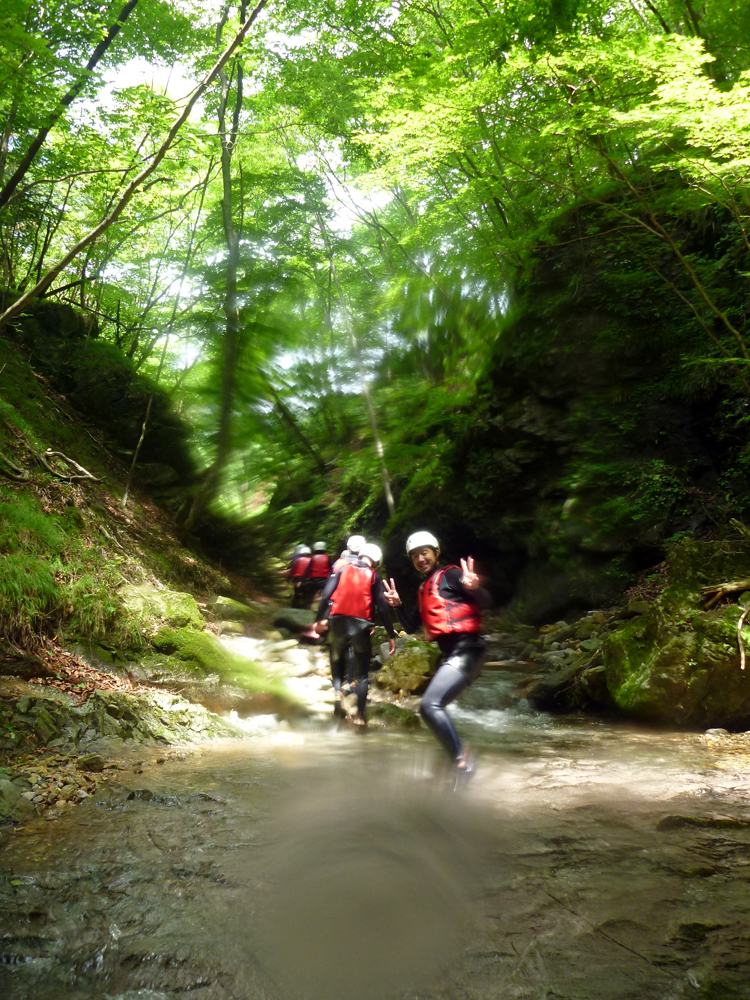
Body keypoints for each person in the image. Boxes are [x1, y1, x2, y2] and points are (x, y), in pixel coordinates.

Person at [383, 531, 489, 771]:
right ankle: (459, 759)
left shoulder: (451, 574)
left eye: (425, 553)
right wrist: (398, 606)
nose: (420, 559)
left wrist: (475, 587)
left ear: (436, 553)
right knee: (432, 707)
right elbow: (411, 627)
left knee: (429, 706)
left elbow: (485, 600)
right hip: (454, 654)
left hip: (468, 650)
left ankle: (463, 760)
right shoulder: (424, 588)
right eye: (415, 556)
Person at [314, 542, 396, 726]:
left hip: (338, 623)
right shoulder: (375, 576)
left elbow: (327, 595)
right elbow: (382, 609)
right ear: (376, 560)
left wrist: (319, 619)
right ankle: (359, 716)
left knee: (337, 666)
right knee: (363, 675)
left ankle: (338, 709)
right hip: (361, 626)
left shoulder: (342, 570)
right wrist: (391, 635)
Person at [302, 541, 332, 606]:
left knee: (309, 594)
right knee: (327, 595)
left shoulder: (313, 558)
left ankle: (308, 604)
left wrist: (303, 579)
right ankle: (325, 606)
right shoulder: (328, 557)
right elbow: (331, 569)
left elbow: (308, 569)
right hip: (325, 581)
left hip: (313, 580)